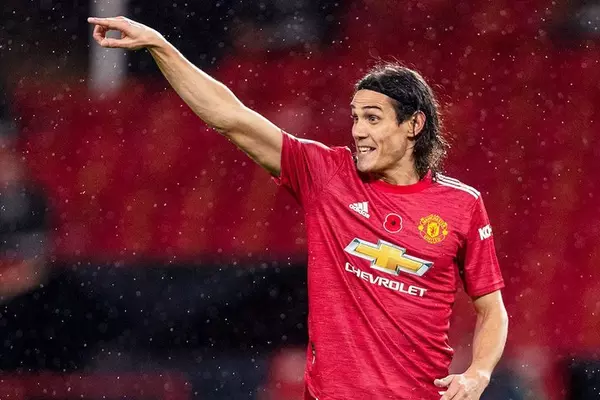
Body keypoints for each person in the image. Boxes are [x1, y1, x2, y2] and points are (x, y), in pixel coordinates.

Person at [87, 16, 509, 400]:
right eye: (355, 117)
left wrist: (478, 373)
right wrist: (161, 46)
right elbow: (230, 116)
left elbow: (492, 310)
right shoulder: (327, 175)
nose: (358, 131)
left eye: (373, 118)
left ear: (414, 124)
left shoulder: (462, 205)